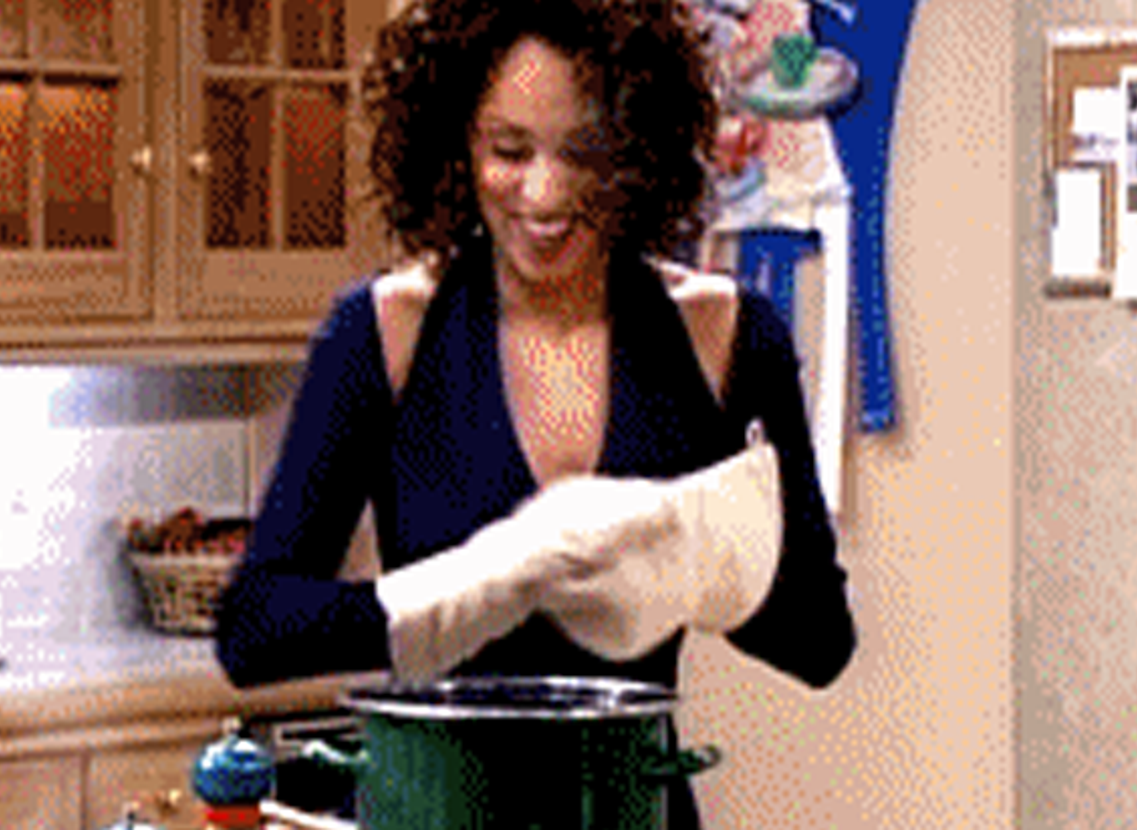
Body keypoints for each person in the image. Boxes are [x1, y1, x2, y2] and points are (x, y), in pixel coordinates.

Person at [215, 0, 856, 826]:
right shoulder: (384, 332)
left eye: (583, 151)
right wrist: (481, 584)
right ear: (459, 142)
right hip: (435, 815)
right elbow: (254, 631)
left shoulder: (725, 336)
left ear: (637, 147)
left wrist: (695, 566)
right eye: (509, 151)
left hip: (627, 813)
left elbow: (821, 642)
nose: (544, 193)